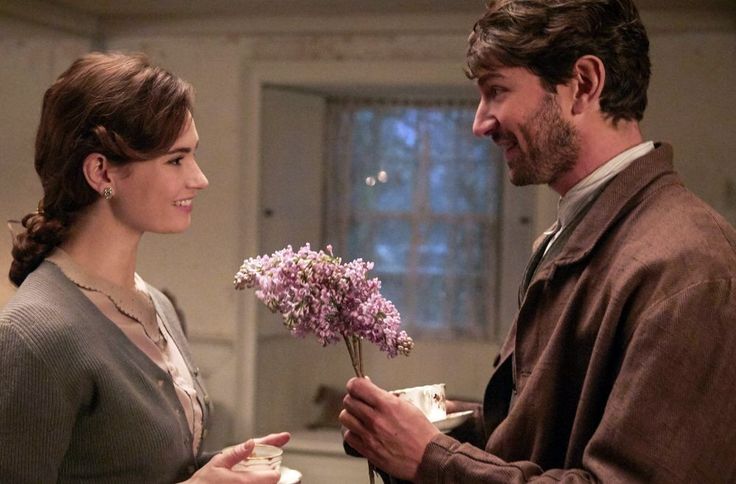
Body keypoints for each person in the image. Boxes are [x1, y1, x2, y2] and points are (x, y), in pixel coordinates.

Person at [340, 0, 736, 482]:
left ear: (584, 85)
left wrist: (431, 458)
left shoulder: (690, 268)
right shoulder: (563, 238)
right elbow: (537, 432)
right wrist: (420, 431)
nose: (480, 123)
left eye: (497, 91)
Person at [0, 52, 289, 483]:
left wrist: (216, 468)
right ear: (101, 172)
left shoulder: (157, 305)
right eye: (176, 159)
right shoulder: (34, 335)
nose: (199, 178)